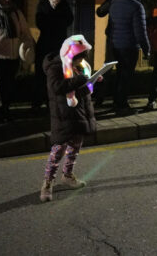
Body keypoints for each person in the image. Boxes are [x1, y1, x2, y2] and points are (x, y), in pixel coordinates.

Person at [40, 34, 98, 202]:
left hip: (78, 114)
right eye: (79, 57)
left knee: (75, 147)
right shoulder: (55, 67)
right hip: (63, 116)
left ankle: (67, 175)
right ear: (70, 53)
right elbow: (56, 87)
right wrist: (78, 80)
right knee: (58, 151)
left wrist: (92, 82)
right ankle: (48, 182)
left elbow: (80, 91)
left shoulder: (79, 66)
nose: (81, 61)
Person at [0, 0, 35, 121]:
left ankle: (5, 110)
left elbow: (25, 31)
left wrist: (28, 43)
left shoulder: (16, 13)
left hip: (13, 56)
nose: (7, 0)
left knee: (9, 86)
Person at [108, 0, 150, 113]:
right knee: (126, 77)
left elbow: (111, 26)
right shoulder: (137, 6)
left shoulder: (114, 3)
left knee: (119, 74)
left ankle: (116, 102)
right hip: (129, 46)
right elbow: (140, 32)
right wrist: (147, 49)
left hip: (116, 45)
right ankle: (122, 106)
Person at [32, 0, 74, 111]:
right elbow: (40, 22)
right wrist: (56, 22)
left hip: (59, 44)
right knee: (41, 73)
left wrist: (56, 22)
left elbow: (69, 19)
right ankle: (38, 101)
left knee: (58, 73)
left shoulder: (64, 3)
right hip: (45, 44)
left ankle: (54, 101)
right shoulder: (42, 3)